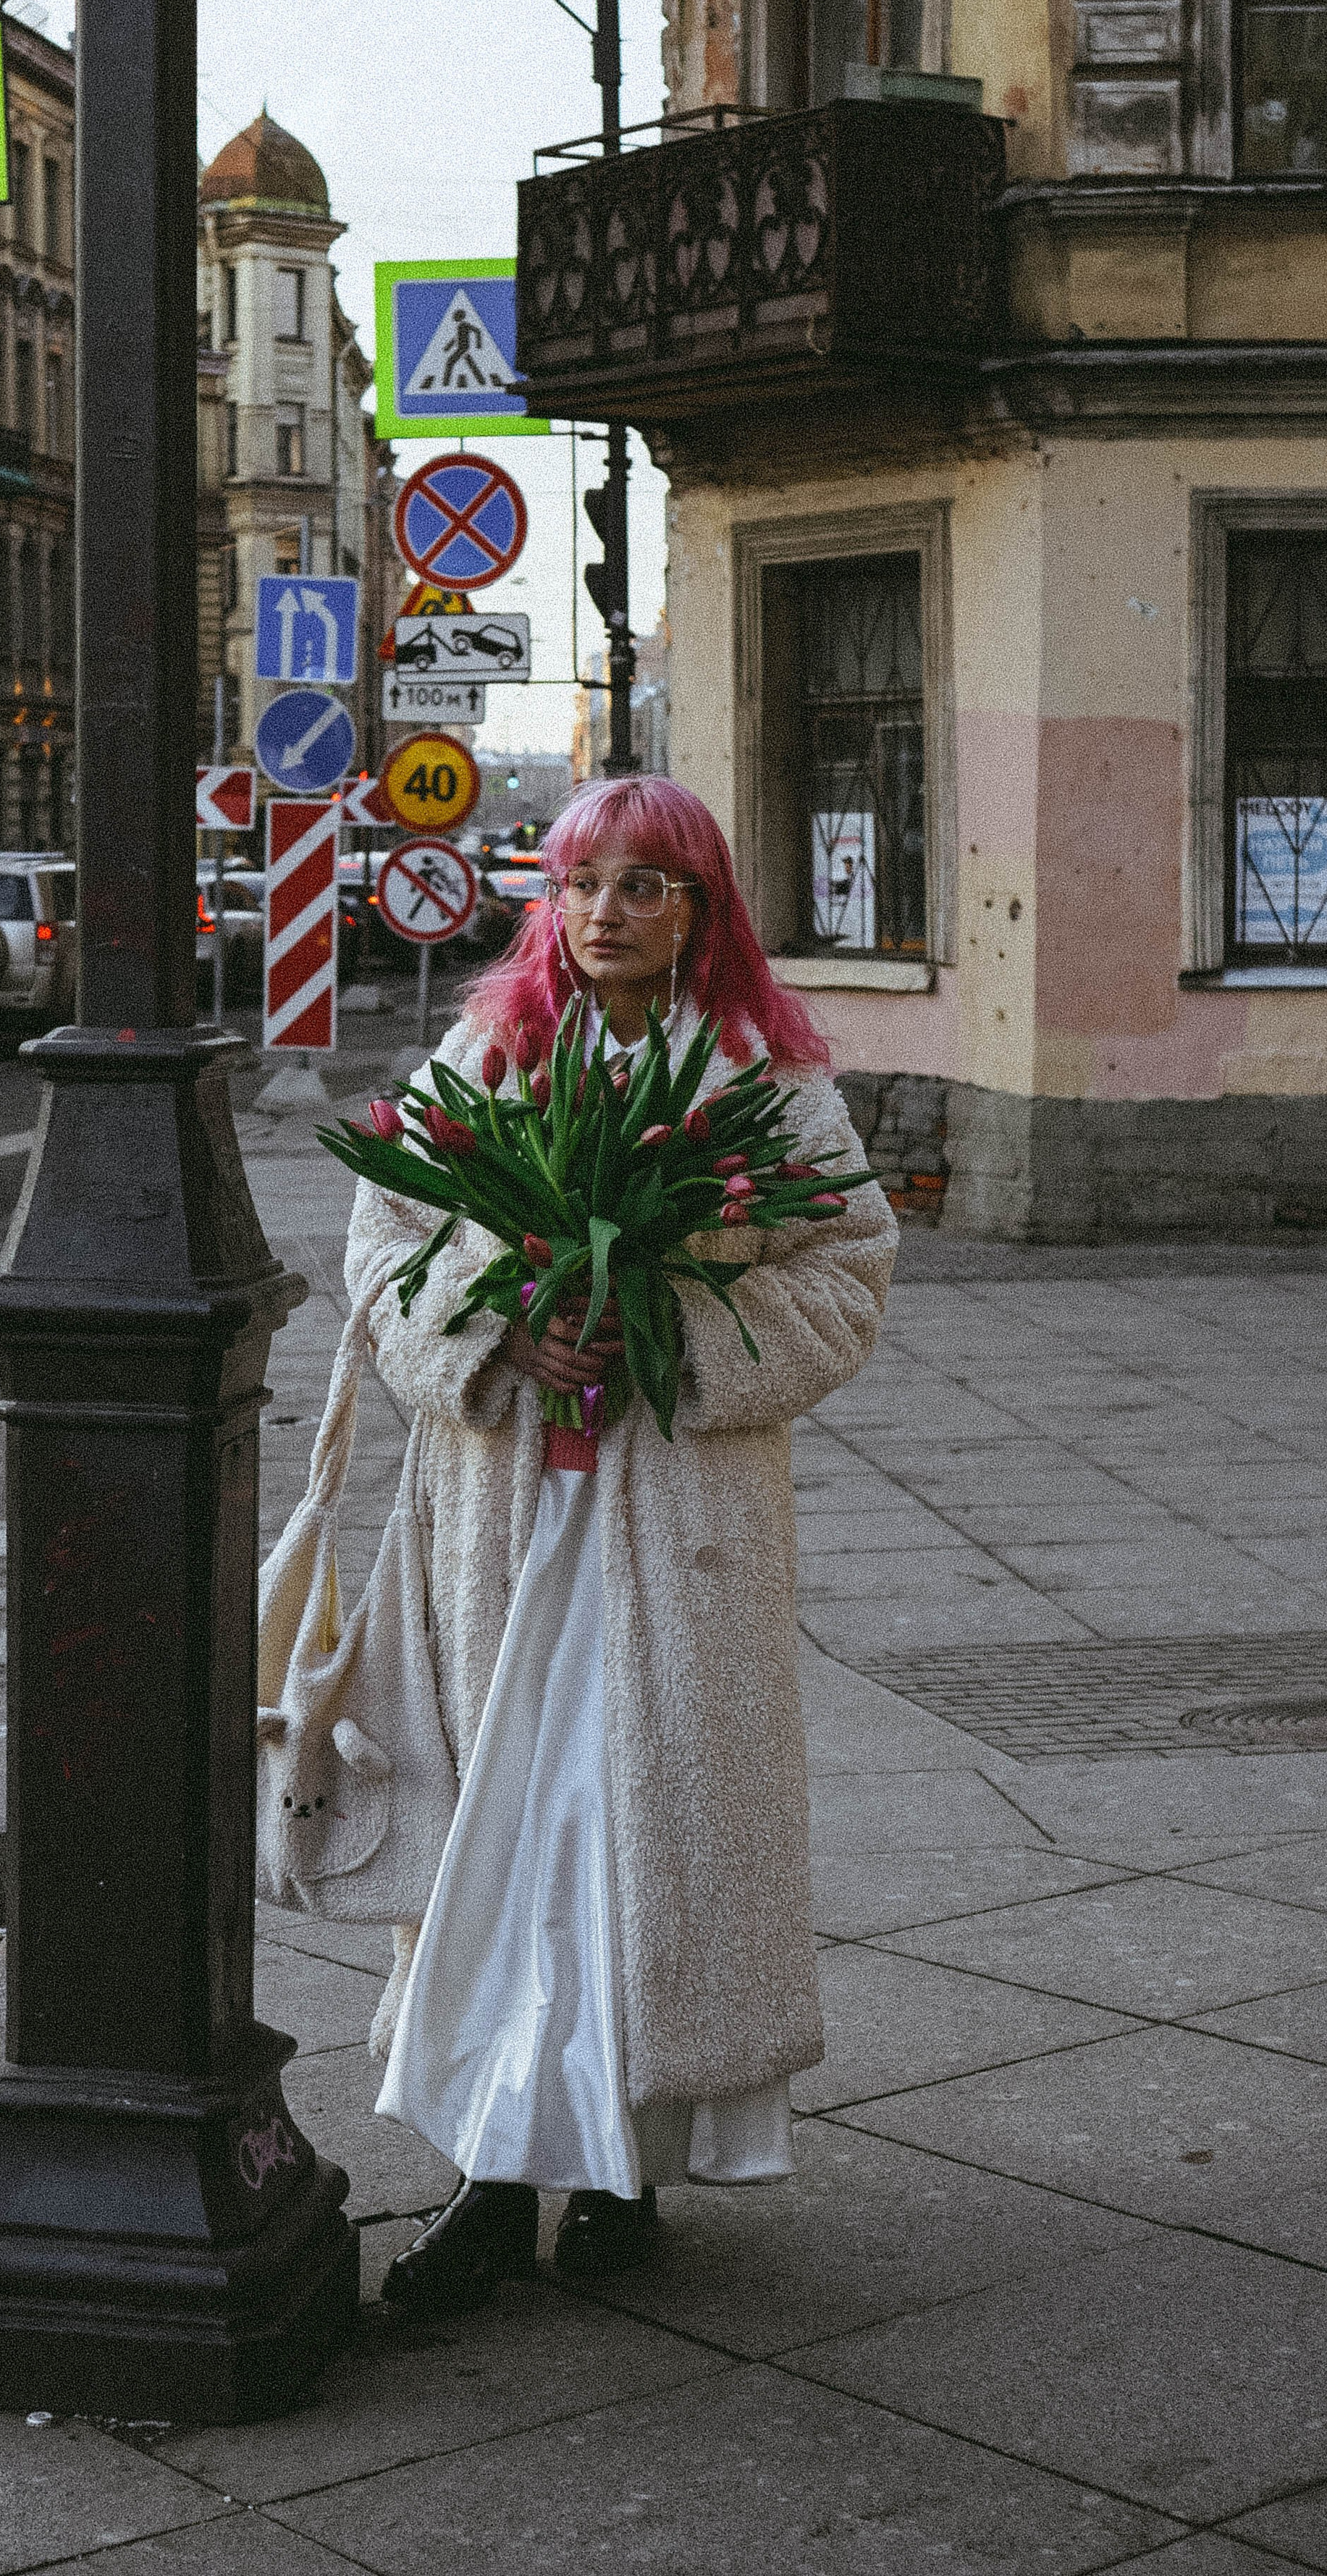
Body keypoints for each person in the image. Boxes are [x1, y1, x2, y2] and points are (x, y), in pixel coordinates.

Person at [339, 775, 897, 2315]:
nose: (606, 912)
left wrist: (665, 1324)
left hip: (677, 1527)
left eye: (648, 884)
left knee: (628, 1832)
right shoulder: (495, 1050)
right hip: (507, 1518)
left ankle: (620, 2161)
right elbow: (383, 1251)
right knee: (505, 1834)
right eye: (582, 880)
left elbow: (848, 1270)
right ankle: (486, 2177)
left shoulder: (758, 1078)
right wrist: (498, 1328)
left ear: (701, 911)